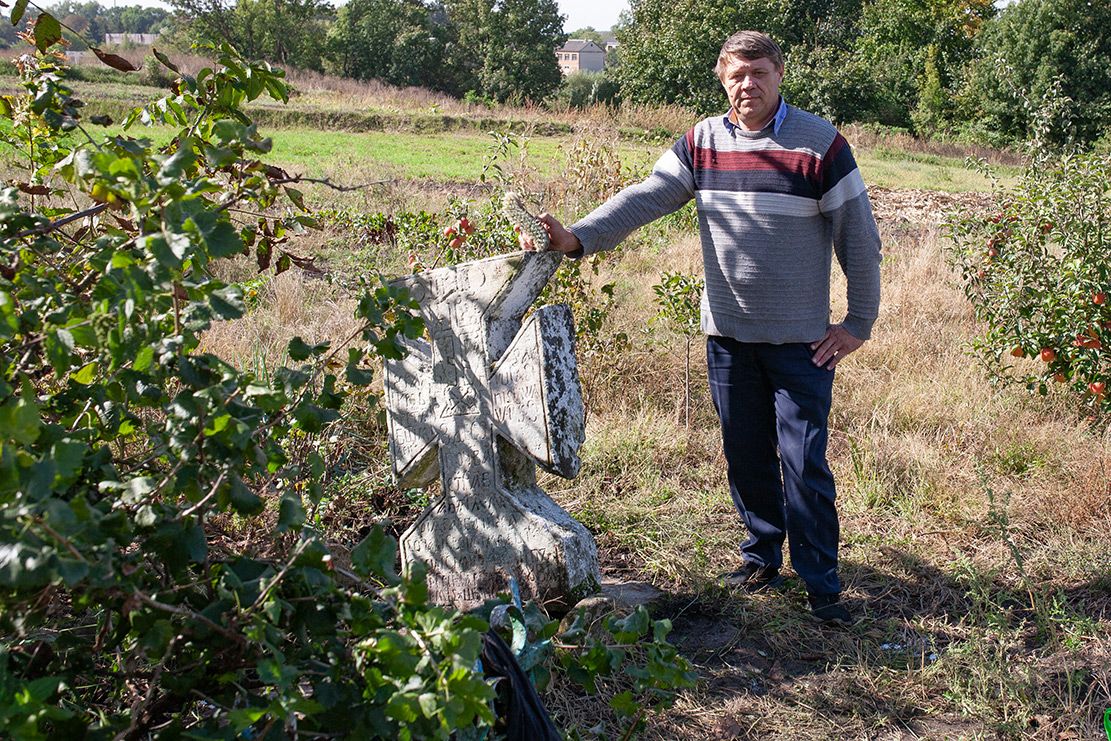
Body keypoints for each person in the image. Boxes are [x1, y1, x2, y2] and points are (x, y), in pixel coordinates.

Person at [518, 30, 882, 625]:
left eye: (759, 72)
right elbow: (648, 196)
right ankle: (762, 556)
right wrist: (578, 237)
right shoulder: (701, 143)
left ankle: (822, 586)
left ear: (779, 74)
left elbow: (859, 240)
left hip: (801, 345)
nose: (749, 84)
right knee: (744, 456)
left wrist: (858, 323)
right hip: (730, 339)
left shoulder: (820, 145)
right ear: (722, 77)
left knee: (804, 462)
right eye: (737, 74)